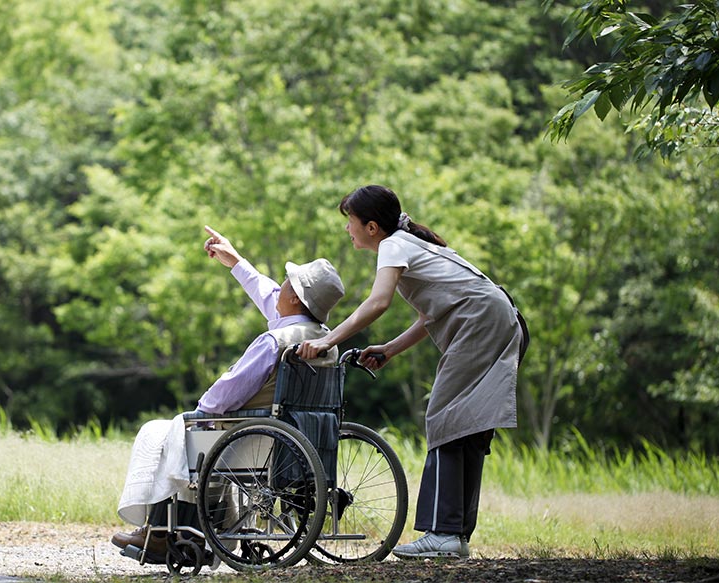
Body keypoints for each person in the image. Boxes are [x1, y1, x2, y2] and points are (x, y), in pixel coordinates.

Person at [297, 184, 527, 560]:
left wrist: (328, 341)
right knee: (465, 424)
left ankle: (443, 534)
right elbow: (429, 316)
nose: (347, 230)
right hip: (495, 316)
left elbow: (377, 302)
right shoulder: (410, 243)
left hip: (481, 321)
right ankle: (455, 534)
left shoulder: (394, 245)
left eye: (350, 222)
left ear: (372, 227)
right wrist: (389, 349)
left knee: (445, 418)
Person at [112, 225, 346, 559]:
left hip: (252, 439)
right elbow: (269, 297)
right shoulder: (322, 340)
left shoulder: (275, 342)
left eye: (285, 282)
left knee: (168, 432)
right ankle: (177, 531)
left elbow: (225, 394)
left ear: (294, 296)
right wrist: (235, 260)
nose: (278, 285)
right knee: (186, 434)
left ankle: (164, 532)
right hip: (297, 438)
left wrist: (200, 411)